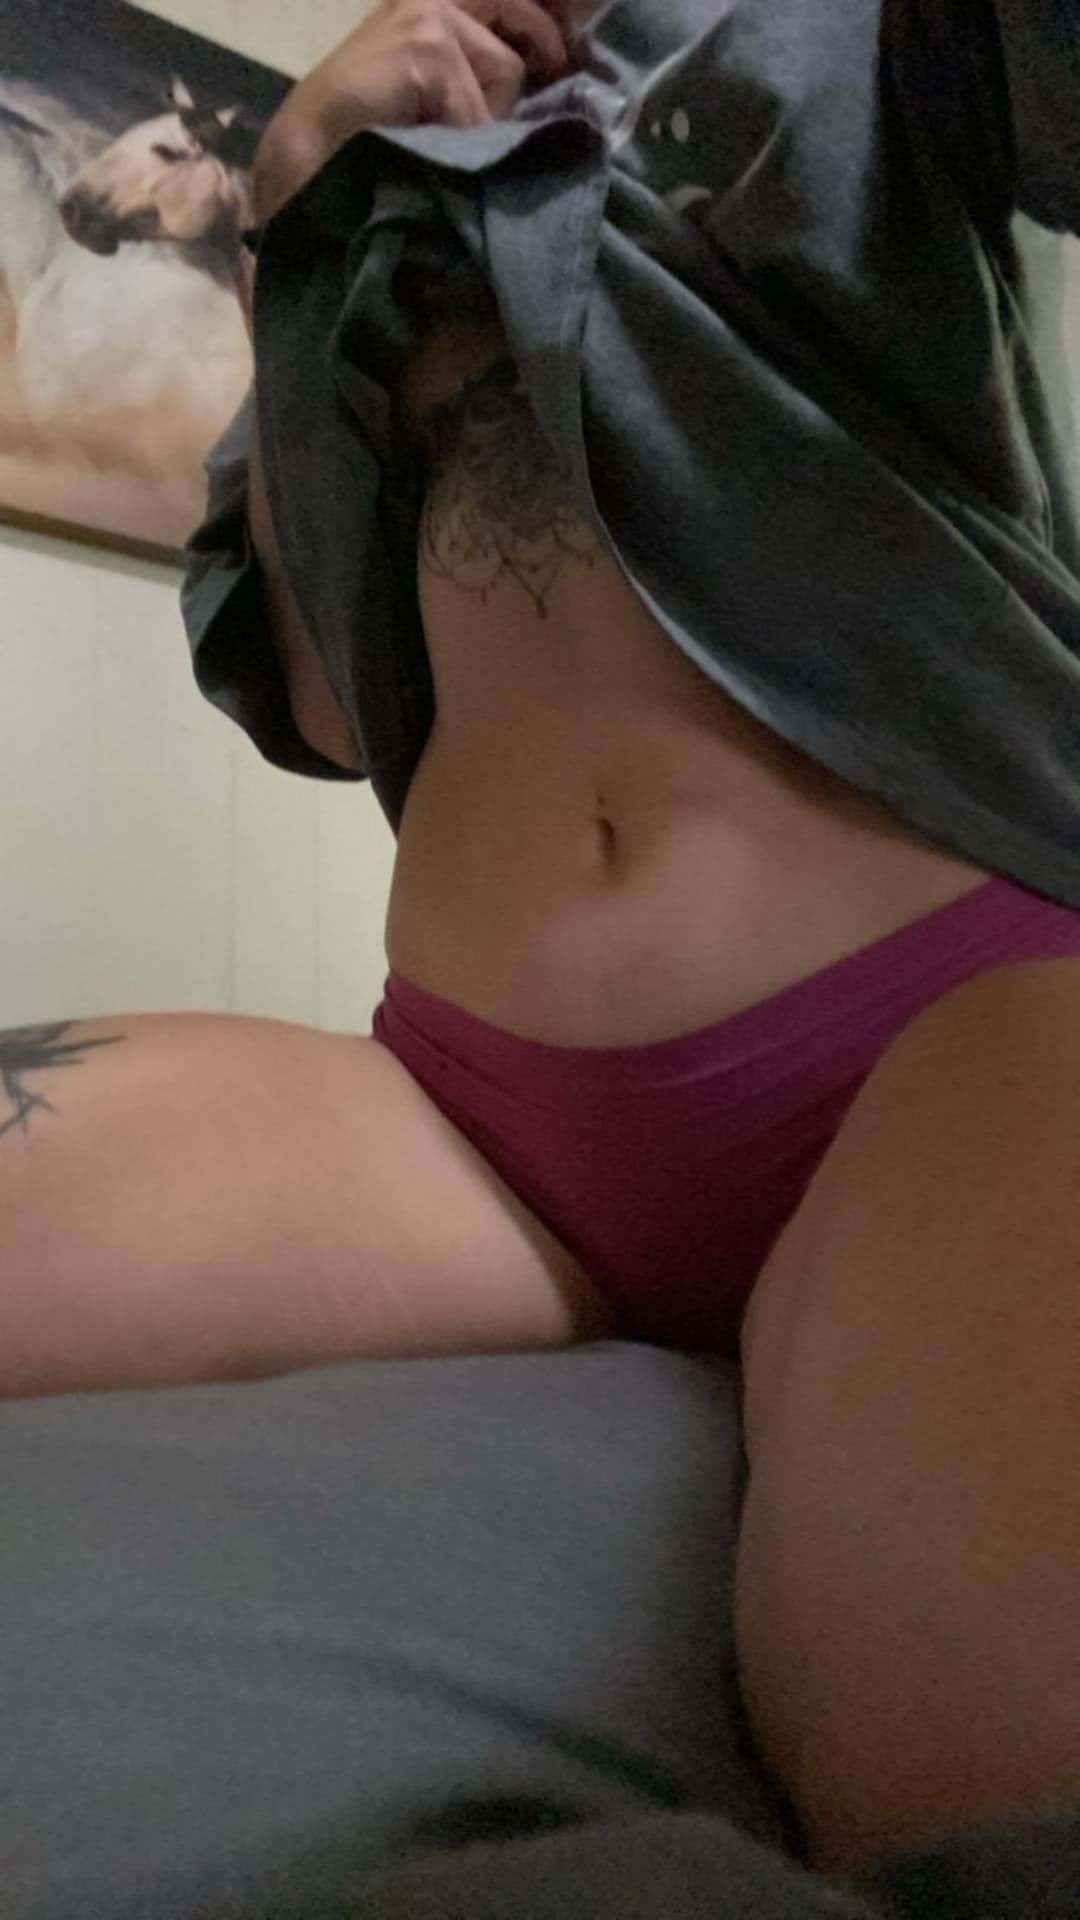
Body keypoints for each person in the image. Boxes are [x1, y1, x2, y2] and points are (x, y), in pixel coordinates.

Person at [3, 0, 1080, 1882]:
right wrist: (290, 200)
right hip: (475, 1126)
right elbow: (329, 704)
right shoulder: (363, 189)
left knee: (989, 1760)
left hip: (945, 1025)